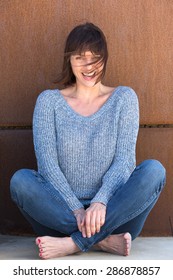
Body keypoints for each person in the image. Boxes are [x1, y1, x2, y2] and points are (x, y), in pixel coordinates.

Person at [10, 22, 166, 259]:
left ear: (105, 59)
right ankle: (102, 241)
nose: (89, 66)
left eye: (96, 57)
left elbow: (124, 161)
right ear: (69, 60)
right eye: (80, 57)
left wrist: (100, 203)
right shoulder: (49, 102)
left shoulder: (124, 98)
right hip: (59, 215)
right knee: (20, 181)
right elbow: (48, 167)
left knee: (154, 171)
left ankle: (73, 244)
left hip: (114, 213)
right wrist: (76, 209)